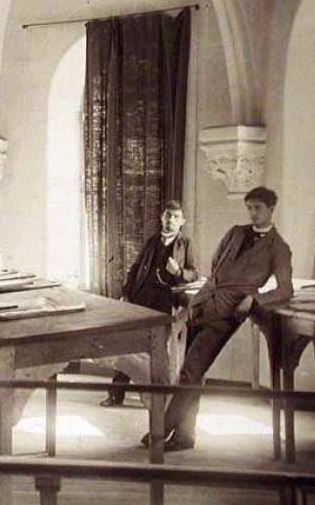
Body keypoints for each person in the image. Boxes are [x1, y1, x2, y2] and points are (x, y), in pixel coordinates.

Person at [145, 186, 293, 452]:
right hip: (201, 303)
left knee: (191, 371)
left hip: (227, 313)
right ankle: (185, 436)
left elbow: (285, 290)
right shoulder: (236, 232)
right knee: (192, 372)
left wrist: (254, 299)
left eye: (258, 208)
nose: (253, 213)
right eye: (249, 207)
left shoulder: (279, 248)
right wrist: (200, 300)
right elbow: (216, 266)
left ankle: (160, 431)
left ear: (271, 209)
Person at [99, 200, 197, 407]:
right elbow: (135, 269)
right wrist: (126, 293)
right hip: (141, 300)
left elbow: (194, 273)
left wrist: (179, 272)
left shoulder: (186, 244)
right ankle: (116, 394)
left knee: (159, 351)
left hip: (165, 304)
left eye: (175, 217)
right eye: (168, 215)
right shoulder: (152, 241)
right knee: (128, 347)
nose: (170, 220)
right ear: (162, 218)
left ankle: (157, 397)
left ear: (182, 221)